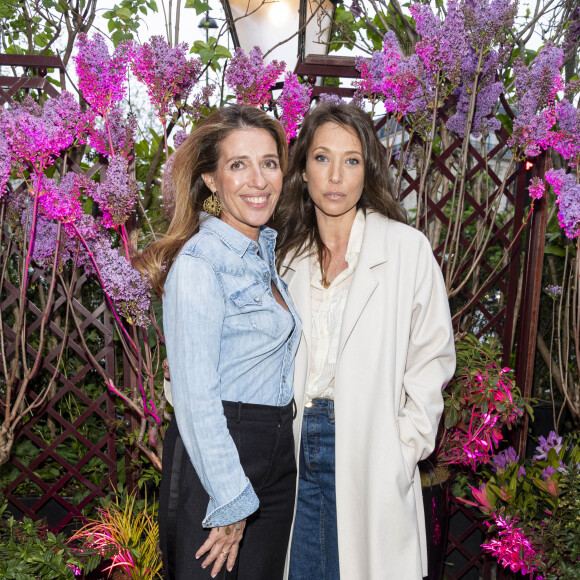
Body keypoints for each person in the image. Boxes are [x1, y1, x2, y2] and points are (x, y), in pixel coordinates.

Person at [272, 102, 456, 580]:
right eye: (322, 158)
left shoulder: (405, 249)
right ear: (303, 170)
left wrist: (405, 445)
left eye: (351, 160)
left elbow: (432, 356)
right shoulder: (283, 257)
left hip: (372, 447)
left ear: (367, 169)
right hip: (295, 450)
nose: (336, 175)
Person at [135, 105, 302, 580]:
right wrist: (229, 496)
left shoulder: (262, 254)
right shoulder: (200, 263)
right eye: (238, 164)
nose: (258, 179)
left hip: (274, 453)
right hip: (219, 457)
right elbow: (194, 396)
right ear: (211, 179)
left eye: (269, 163)